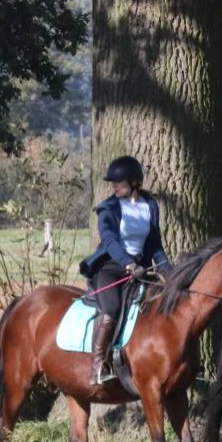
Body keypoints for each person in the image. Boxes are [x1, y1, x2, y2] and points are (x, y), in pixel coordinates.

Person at [79, 155, 170, 385]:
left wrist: (168, 270)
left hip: (140, 268)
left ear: (134, 183)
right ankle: (97, 365)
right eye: (113, 184)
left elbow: (154, 243)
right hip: (111, 267)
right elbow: (109, 241)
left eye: (119, 183)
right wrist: (128, 264)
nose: (114, 187)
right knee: (112, 308)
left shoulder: (149, 205)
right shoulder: (107, 208)